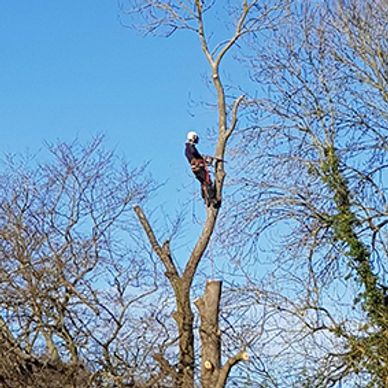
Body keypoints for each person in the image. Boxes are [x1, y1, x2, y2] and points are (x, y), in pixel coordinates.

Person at [185, 131, 215, 206]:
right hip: (198, 167)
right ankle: (212, 199)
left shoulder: (187, 149)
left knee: (203, 182)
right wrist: (202, 158)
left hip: (196, 168)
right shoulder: (190, 147)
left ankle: (205, 198)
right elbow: (195, 154)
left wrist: (203, 158)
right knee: (207, 181)